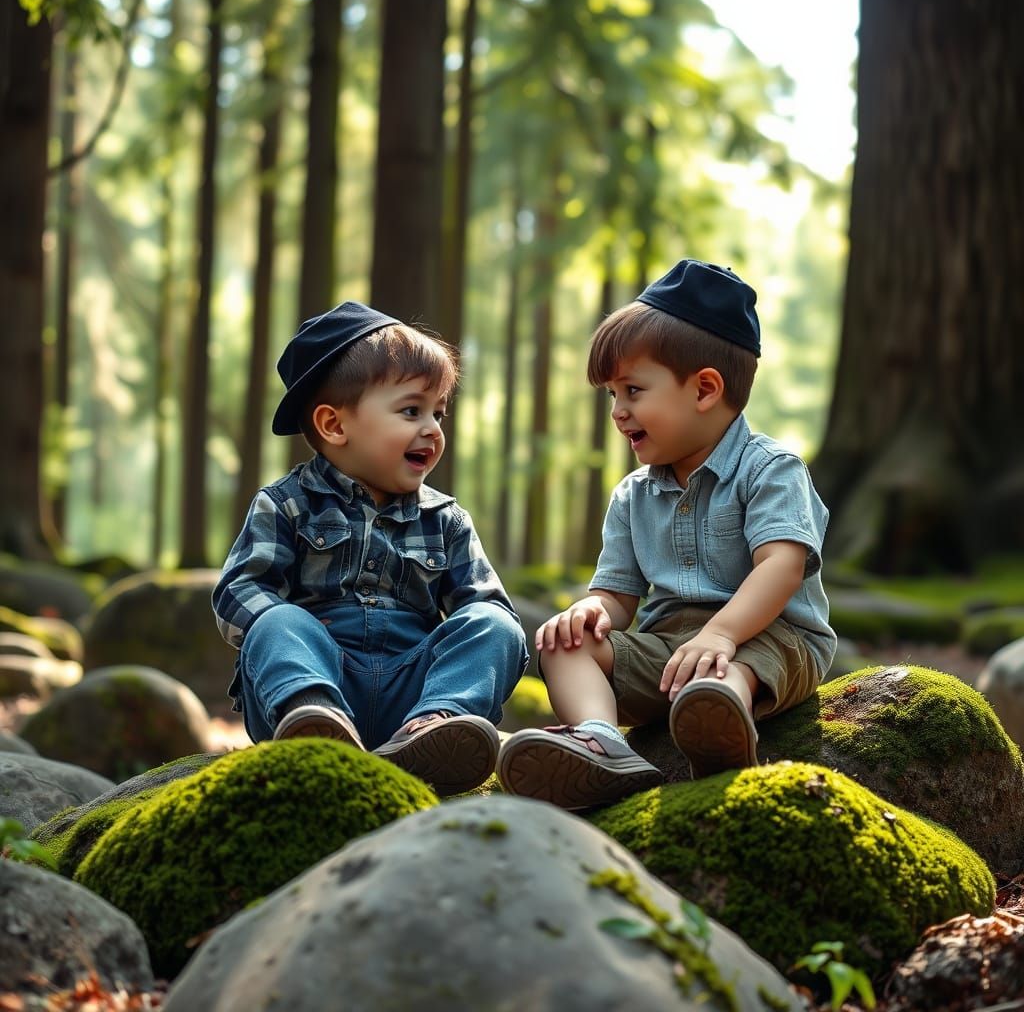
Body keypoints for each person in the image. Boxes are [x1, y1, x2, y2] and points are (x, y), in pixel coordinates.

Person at [496, 259, 836, 809]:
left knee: (733, 671)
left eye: (632, 390)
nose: (618, 411)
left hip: (770, 638)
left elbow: (783, 565)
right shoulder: (633, 495)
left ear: (704, 390)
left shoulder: (771, 469)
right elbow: (619, 595)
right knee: (564, 647)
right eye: (611, 395)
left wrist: (723, 635)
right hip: (669, 652)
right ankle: (603, 746)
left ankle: (721, 725)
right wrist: (593, 613)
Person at [213, 301, 529, 795]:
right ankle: (313, 722)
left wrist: (462, 662)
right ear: (335, 426)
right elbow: (237, 593)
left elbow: (483, 608)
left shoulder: (445, 520)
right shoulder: (287, 505)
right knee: (274, 621)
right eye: (411, 411)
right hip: (321, 672)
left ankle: (437, 727)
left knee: (497, 625)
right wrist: (289, 626)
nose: (433, 429)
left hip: (413, 689)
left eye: (438, 413)